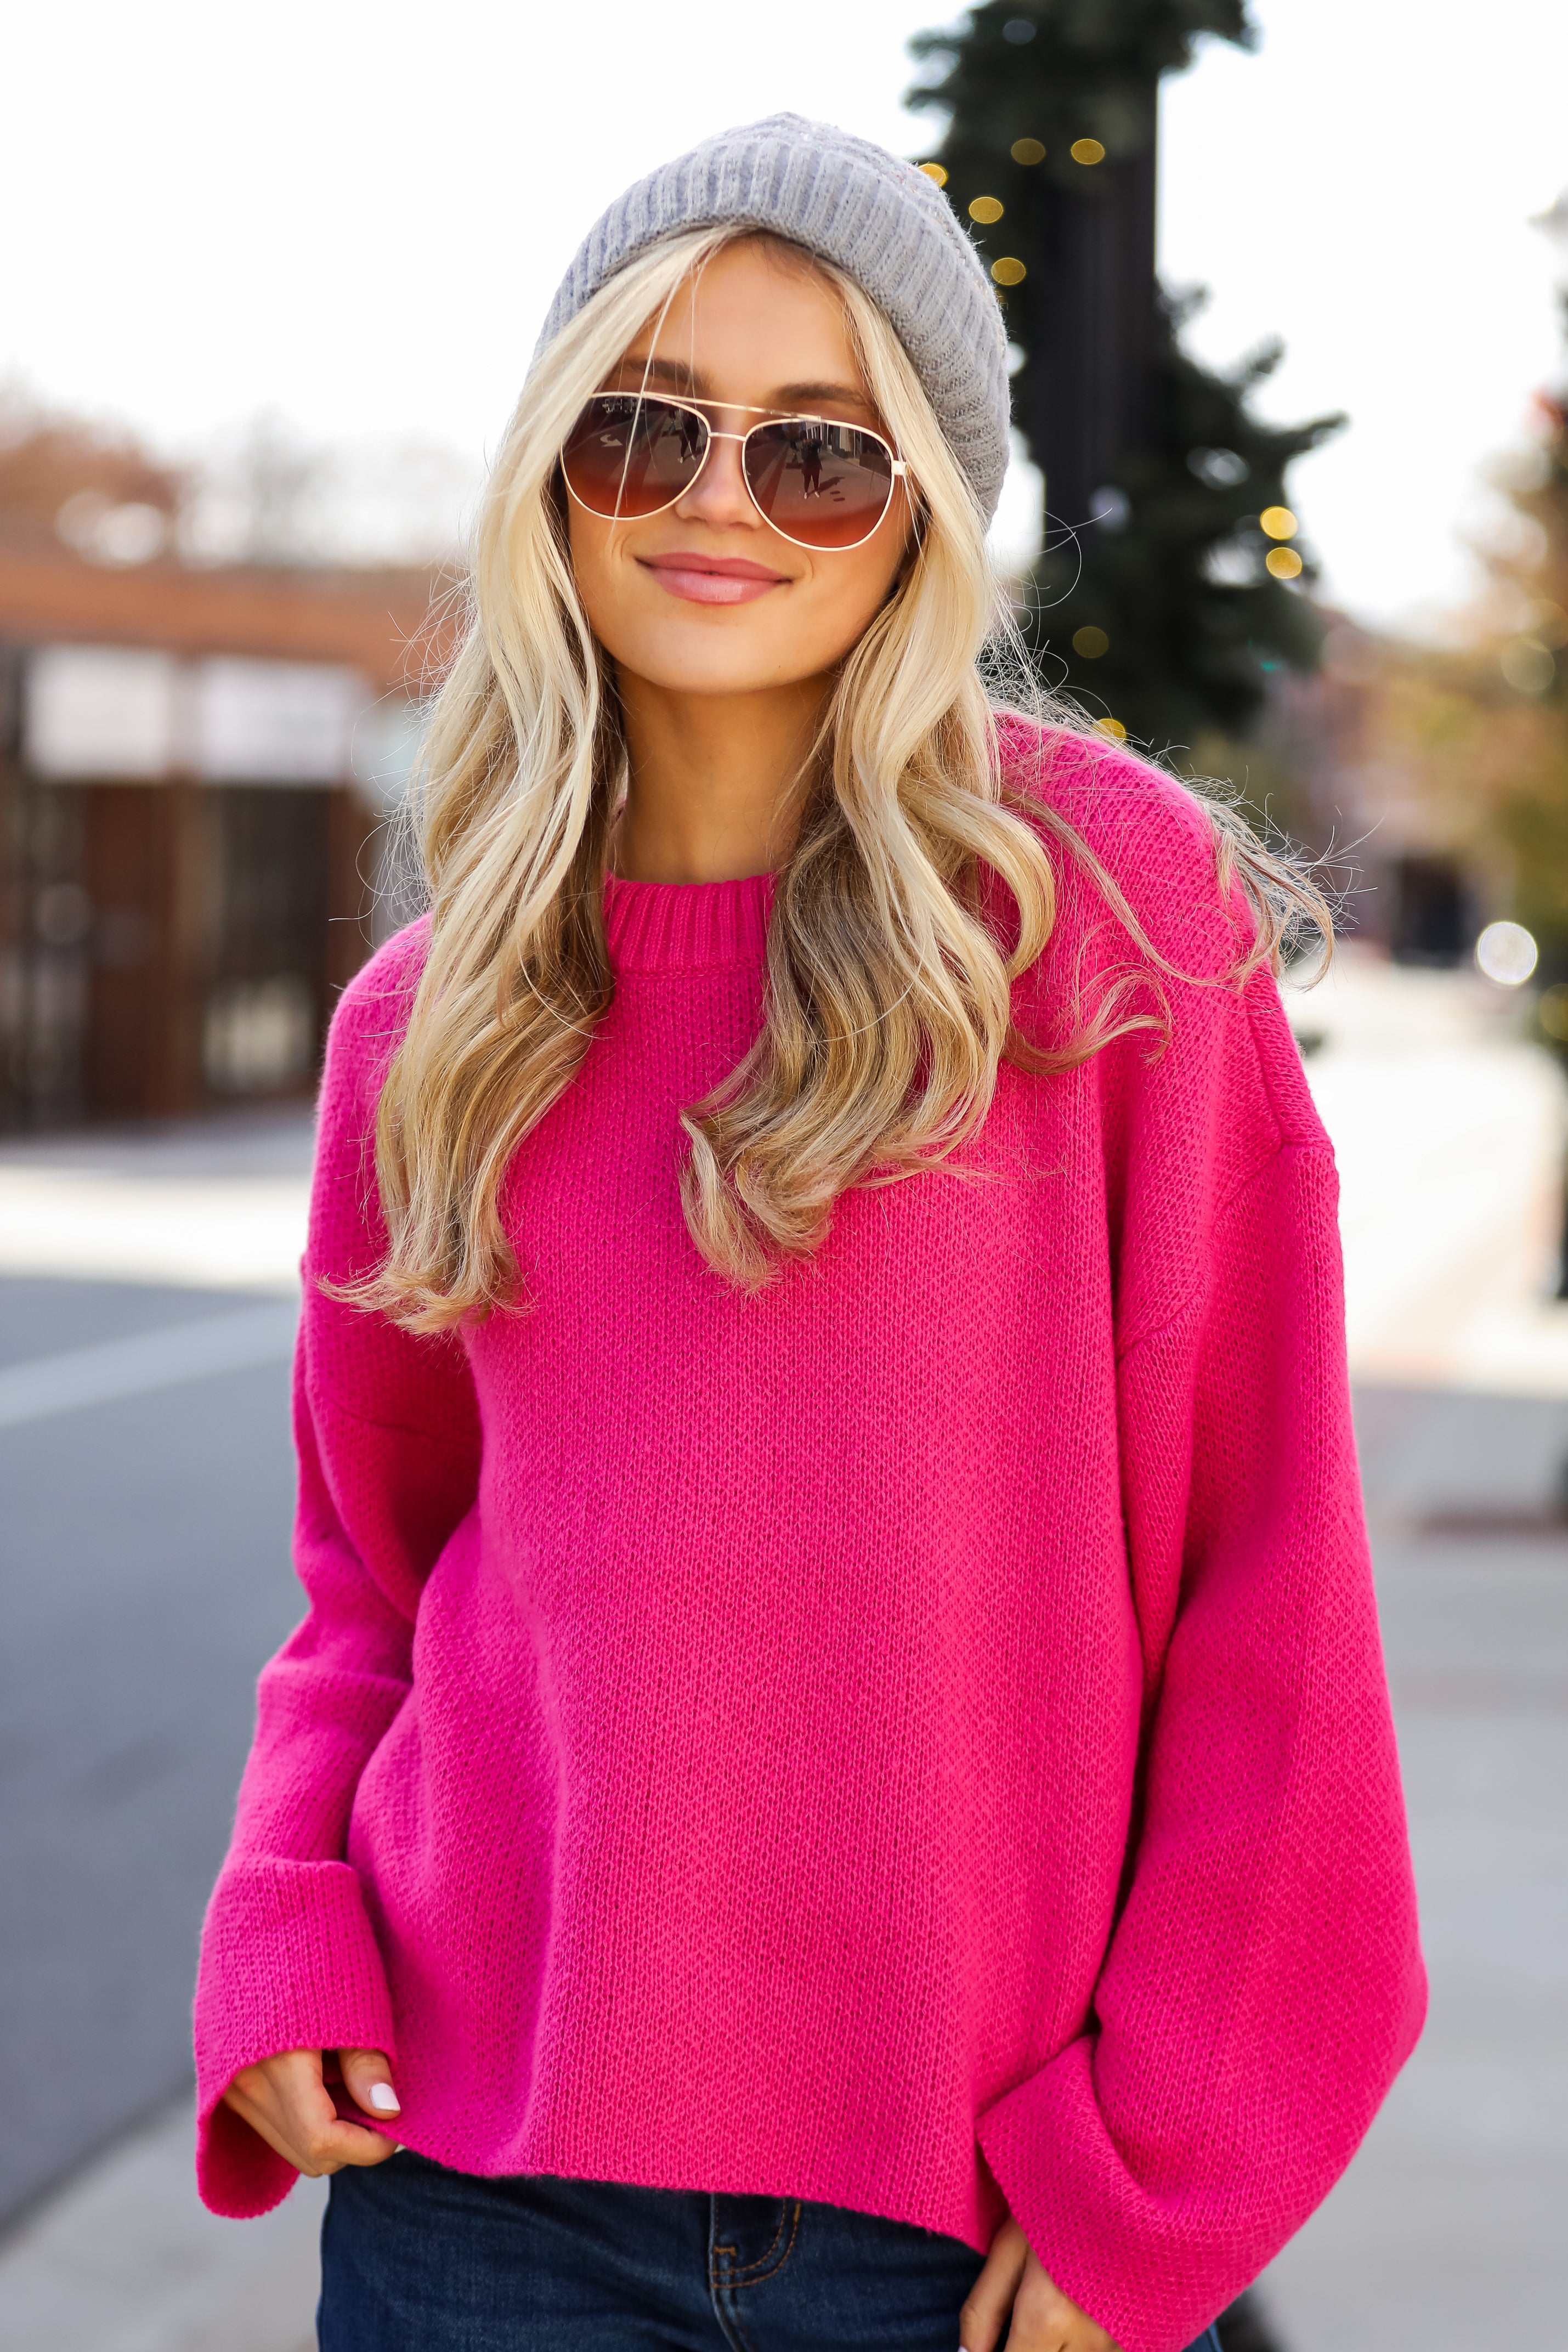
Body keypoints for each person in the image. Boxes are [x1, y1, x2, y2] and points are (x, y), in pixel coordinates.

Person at [193, 115, 1425, 2352]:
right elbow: (370, 1578)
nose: (717, 502)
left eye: (819, 452)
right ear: (556, 466)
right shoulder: (431, 1011)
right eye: (645, 425)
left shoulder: (1107, 926)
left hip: (962, 2214)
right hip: (483, 2191)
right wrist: (286, 1926)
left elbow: (1271, 1595)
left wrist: (1168, 2155)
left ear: (924, 513)